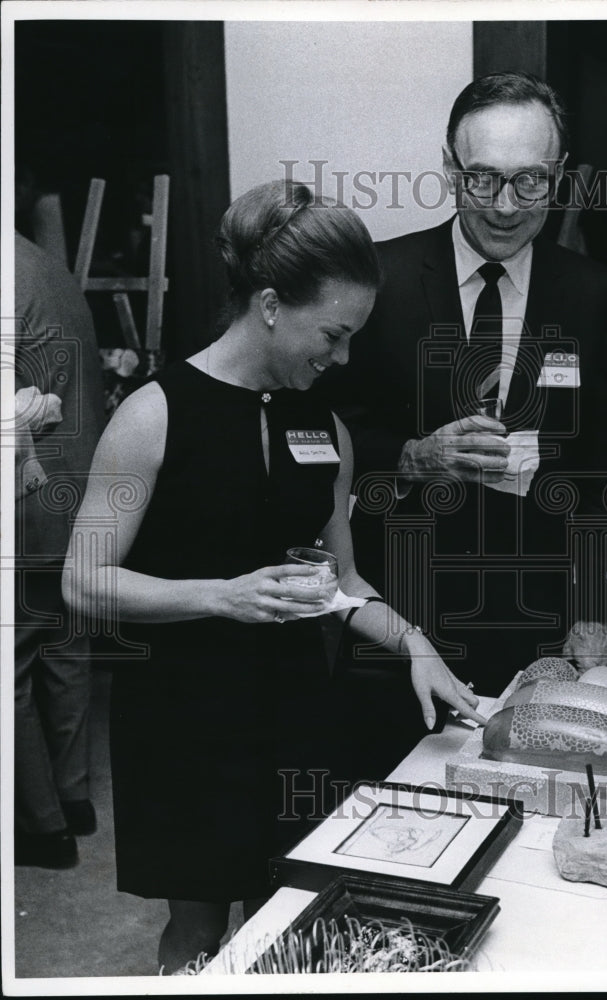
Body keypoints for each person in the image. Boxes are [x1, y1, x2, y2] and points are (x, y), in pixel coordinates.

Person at [62, 180, 483, 973]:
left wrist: (416, 643)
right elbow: (82, 583)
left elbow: (343, 581)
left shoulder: (322, 425)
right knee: (197, 934)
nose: (343, 356)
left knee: (291, 922)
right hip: (184, 718)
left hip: (294, 709)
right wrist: (221, 595)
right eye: (332, 333)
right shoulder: (152, 415)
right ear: (268, 304)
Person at [317, 72, 607, 725]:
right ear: (448, 167)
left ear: (561, 174)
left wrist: (593, 613)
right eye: (483, 178)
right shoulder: (381, 281)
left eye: (531, 180)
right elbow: (315, 435)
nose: (506, 206)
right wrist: (409, 456)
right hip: (400, 614)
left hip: (538, 618)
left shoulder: (593, 294)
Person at [15, 233, 106, 869]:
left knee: (10, 668)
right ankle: (74, 799)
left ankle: (41, 828)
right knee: (66, 650)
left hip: (27, 496)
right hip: (81, 489)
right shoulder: (43, 262)